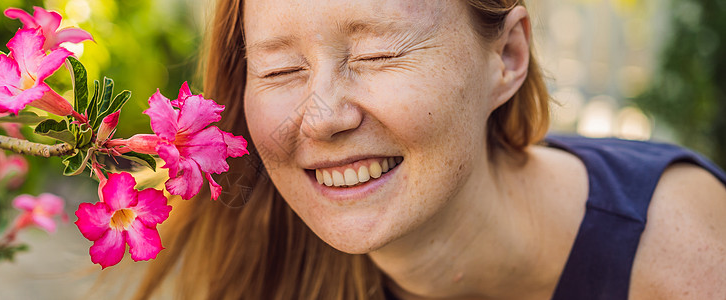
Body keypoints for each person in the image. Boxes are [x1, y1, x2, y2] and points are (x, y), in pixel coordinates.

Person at [133, 1, 726, 299]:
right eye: (281, 68)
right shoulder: (265, 259)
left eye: (378, 56)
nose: (320, 119)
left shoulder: (684, 259)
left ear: (508, 57)